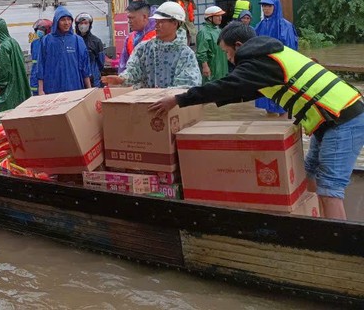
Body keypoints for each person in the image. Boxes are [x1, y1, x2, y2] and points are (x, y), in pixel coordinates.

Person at [149, 23, 364, 220]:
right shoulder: (270, 54)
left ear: (239, 46)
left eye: (227, 52)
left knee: (329, 188)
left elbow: (228, 85)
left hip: (343, 120)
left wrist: (178, 100)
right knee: (309, 176)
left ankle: (338, 245)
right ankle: (317, 223)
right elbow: (246, 91)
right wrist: (206, 100)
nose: (229, 59)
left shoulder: (259, 60)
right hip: (330, 120)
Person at [103, 1, 202, 89]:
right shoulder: (144, 48)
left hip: (173, 107)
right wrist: (122, 79)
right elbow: (133, 71)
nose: (157, 25)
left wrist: (165, 96)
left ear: (175, 23)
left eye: (162, 22)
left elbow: (189, 84)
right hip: (147, 105)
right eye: (156, 21)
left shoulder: (185, 53)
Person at [255, 0, 299, 116]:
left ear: (276, 7)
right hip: (264, 68)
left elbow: (291, 48)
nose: (265, 8)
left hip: (281, 67)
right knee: (267, 99)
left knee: (283, 101)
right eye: (264, 6)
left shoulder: (285, 26)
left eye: (269, 6)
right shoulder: (260, 25)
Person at [36, 7, 91, 95]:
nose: (66, 23)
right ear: (56, 21)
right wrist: (41, 89)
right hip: (52, 87)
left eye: (69, 19)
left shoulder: (78, 40)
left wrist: (88, 88)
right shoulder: (47, 41)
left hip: (74, 87)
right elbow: (40, 66)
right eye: (63, 20)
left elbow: (85, 67)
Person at [0, 18, 31, 112]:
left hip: (9, 89)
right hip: (18, 86)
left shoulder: (3, 47)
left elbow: (3, 69)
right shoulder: (14, 42)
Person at [119, 1, 156, 74]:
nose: (129, 21)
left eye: (131, 18)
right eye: (128, 18)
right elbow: (123, 67)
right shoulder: (129, 38)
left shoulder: (159, 36)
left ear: (144, 17)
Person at [196, 6, 228, 84]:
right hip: (212, 66)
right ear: (210, 18)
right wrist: (205, 66)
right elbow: (201, 52)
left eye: (221, 16)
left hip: (222, 64)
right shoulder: (203, 32)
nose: (220, 18)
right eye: (217, 16)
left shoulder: (219, 30)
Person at [75, 13, 106, 88]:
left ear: (90, 25)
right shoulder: (73, 41)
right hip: (77, 76)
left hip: (93, 77)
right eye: (81, 23)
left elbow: (101, 63)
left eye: (86, 23)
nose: (83, 25)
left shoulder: (96, 41)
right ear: (77, 25)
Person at [28, 19, 51, 95]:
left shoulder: (50, 44)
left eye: (41, 29)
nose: (39, 31)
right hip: (35, 78)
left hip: (47, 80)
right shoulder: (34, 43)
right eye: (38, 29)